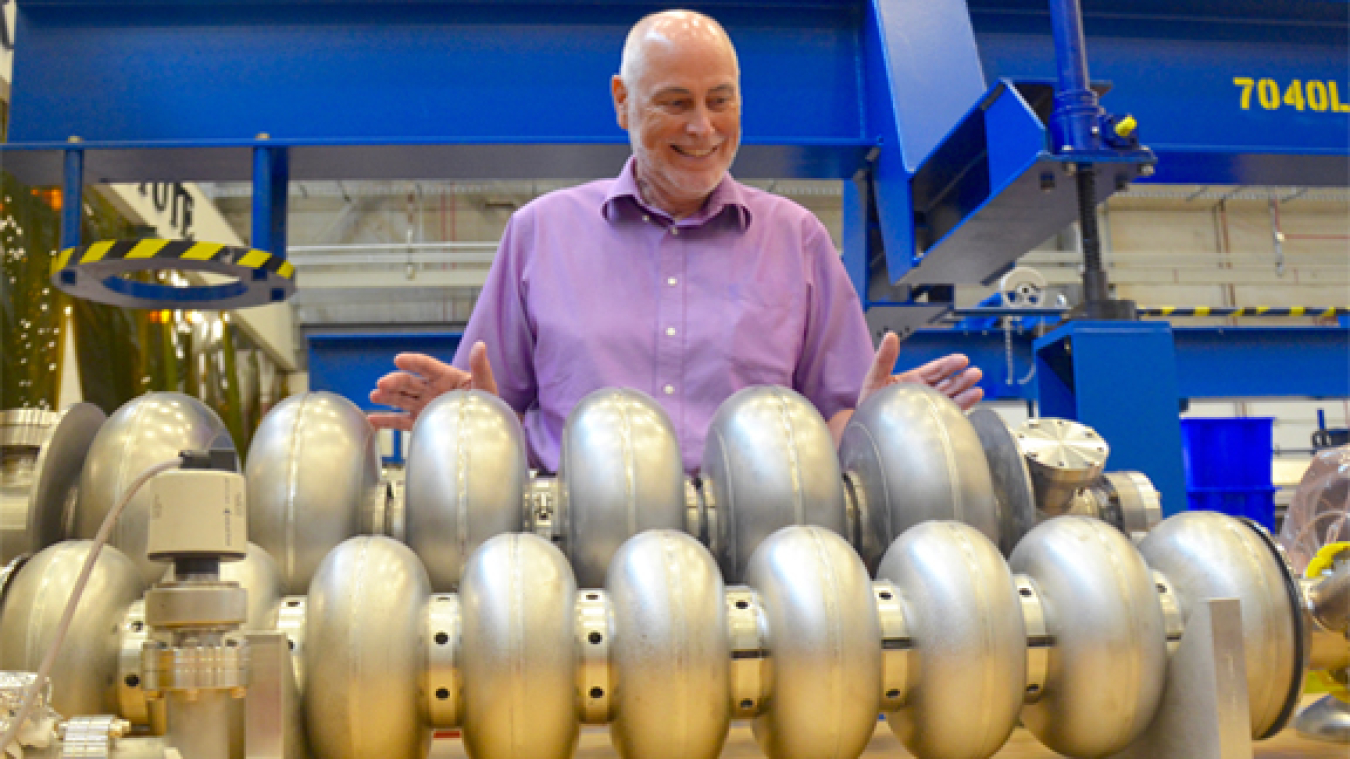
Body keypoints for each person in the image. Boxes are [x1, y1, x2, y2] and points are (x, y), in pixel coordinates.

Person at [370, 9, 982, 472]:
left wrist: (884, 422)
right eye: (675, 103)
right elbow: (490, 412)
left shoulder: (797, 240)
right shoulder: (539, 233)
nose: (702, 127)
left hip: (757, 557)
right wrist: (459, 420)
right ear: (622, 102)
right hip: (573, 557)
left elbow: (838, 417)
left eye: (721, 101)